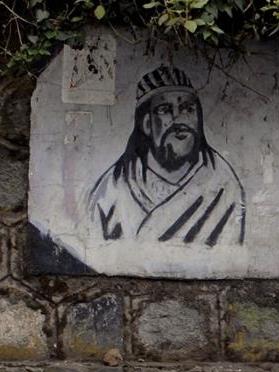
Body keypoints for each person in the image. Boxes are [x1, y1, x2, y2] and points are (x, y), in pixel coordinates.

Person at [88, 66, 245, 246]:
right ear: (147, 123)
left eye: (187, 108)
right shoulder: (113, 188)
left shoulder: (223, 184)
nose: (179, 119)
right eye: (165, 110)